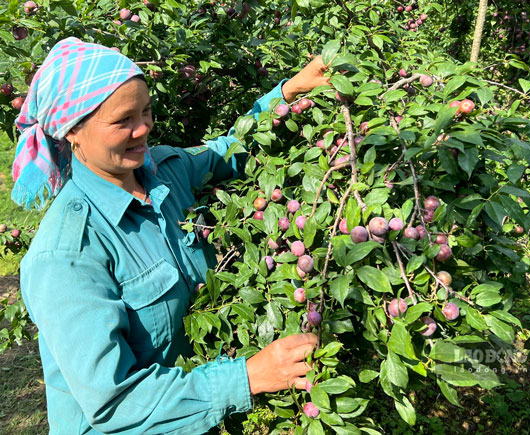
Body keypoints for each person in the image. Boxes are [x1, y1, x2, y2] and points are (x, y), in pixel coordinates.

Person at [12, 37, 330, 434]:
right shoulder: (67, 255)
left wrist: (289, 90)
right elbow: (115, 403)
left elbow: (228, 148)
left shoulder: (165, 170)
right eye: (123, 120)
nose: (143, 128)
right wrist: (248, 377)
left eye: (145, 111)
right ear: (72, 132)